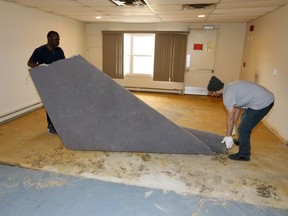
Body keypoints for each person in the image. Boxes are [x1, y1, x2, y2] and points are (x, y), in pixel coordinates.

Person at [207, 76, 275, 161]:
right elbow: (237, 109)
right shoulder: (229, 87)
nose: (212, 95)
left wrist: (228, 136)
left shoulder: (227, 96)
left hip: (263, 103)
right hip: (261, 99)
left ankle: (244, 155)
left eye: (212, 93)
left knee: (243, 129)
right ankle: (241, 141)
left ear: (216, 91)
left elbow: (230, 118)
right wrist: (233, 125)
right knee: (244, 118)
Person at [27, 31, 65, 134]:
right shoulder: (39, 51)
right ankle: (51, 125)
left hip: (58, 81)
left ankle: (60, 123)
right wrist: (40, 67)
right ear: (49, 39)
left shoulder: (59, 51)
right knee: (50, 103)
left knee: (60, 103)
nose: (58, 41)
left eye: (58, 39)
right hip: (46, 82)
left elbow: (63, 64)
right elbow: (30, 63)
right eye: (55, 39)